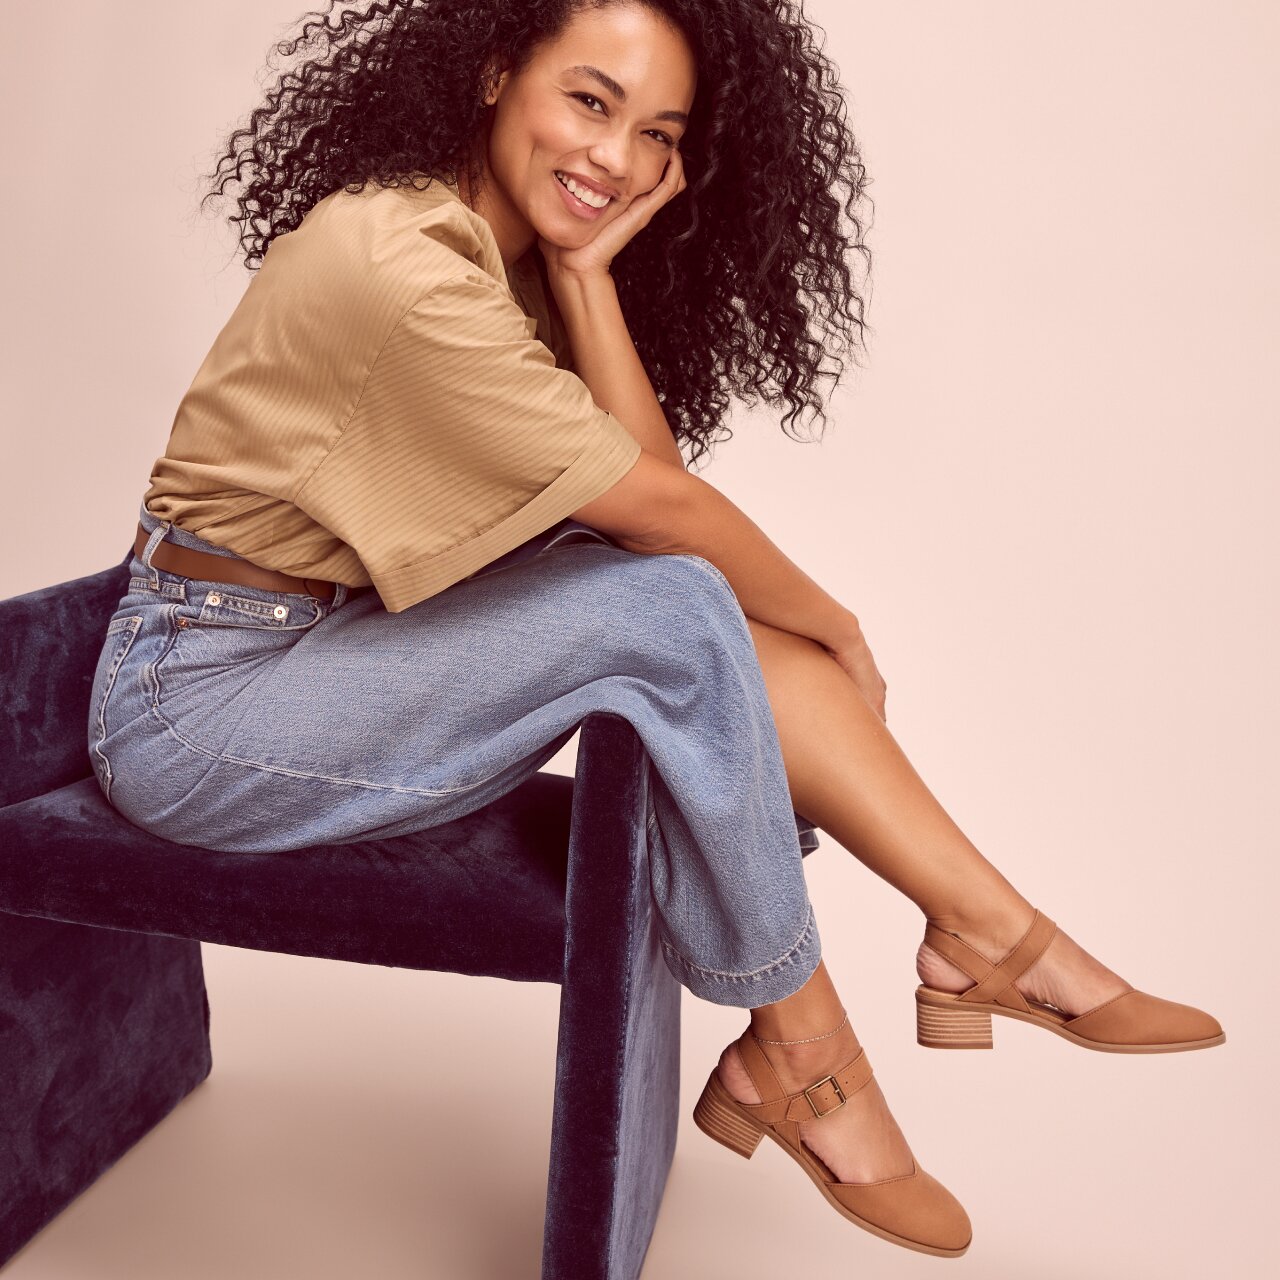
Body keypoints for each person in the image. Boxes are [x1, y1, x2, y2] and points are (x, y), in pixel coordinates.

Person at [86, 0, 1224, 1261]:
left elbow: (645, 507)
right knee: (682, 607)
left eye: (656, 132)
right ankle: (825, 1038)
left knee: (684, 614)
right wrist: (839, 622)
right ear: (491, 71)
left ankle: (977, 942)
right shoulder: (400, 267)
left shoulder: (495, 254)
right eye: (588, 100)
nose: (617, 159)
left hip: (317, 648)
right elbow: (661, 511)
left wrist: (582, 276)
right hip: (196, 700)